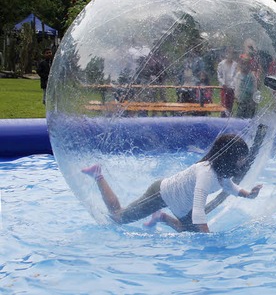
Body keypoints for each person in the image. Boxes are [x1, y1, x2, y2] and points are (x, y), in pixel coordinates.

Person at [82, 132, 264, 233]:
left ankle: (162, 217)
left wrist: (249, 195)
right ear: (229, 157)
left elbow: (229, 186)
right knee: (119, 217)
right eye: (241, 157)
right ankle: (98, 174)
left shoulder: (221, 172)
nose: (243, 161)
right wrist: (208, 238)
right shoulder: (206, 173)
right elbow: (199, 210)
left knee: (185, 231)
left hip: (180, 206)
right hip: (161, 193)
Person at [235, 53, 257, 118]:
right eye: (242, 64)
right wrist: (236, 96)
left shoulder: (251, 76)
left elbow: (254, 88)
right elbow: (236, 86)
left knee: (248, 116)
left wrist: (253, 99)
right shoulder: (238, 75)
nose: (244, 66)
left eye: (246, 64)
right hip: (240, 101)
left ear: (249, 66)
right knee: (240, 115)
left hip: (249, 101)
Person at [217, 47, 238, 117]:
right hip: (224, 88)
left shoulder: (235, 65)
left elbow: (236, 76)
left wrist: (231, 86)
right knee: (223, 105)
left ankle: (229, 119)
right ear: (226, 54)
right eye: (228, 53)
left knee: (230, 105)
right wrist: (223, 84)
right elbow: (219, 75)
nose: (230, 55)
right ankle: (222, 119)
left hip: (231, 89)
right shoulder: (221, 64)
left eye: (231, 53)